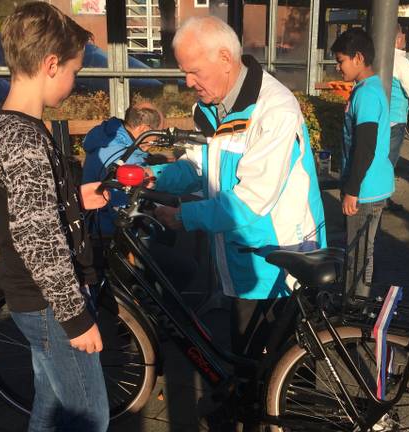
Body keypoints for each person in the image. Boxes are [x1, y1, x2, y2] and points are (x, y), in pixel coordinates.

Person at [149, 15, 327, 426]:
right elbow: (199, 166)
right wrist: (150, 175)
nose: (187, 81)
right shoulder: (212, 107)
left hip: (279, 262)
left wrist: (183, 217)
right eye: (183, 72)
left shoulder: (274, 109)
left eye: (193, 71)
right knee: (249, 367)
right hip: (241, 259)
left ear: (225, 58)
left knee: (287, 379)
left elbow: (250, 202)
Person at [0, 3, 110, 431]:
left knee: (51, 407)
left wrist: (72, 198)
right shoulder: (24, 140)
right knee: (89, 418)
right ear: (51, 65)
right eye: (74, 70)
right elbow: (39, 242)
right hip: (51, 306)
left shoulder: (16, 128)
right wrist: (76, 318)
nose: (75, 82)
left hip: (40, 302)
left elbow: (31, 207)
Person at [331, 28, 394, 302]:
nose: (337, 67)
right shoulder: (370, 89)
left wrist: (352, 189)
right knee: (363, 251)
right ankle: (360, 304)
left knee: (357, 254)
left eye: (341, 60)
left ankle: (354, 312)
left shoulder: (366, 95)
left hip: (365, 190)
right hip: (373, 185)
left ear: (358, 58)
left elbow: (365, 145)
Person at [82, 105, 162, 236]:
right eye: (157, 134)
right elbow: (124, 207)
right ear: (144, 129)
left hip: (92, 224)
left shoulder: (106, 138)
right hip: (111, 233)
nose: (157, 141)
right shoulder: (126, 159)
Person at [386, 24, 409, 211]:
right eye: (404, 37)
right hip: (395, 118)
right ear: (398, 39)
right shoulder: (402, 62)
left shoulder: (376, 57)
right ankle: (383, 199)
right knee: (389, 161)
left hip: (377, 116)